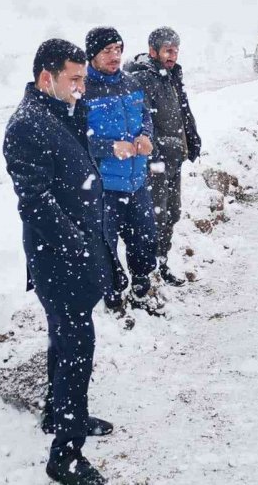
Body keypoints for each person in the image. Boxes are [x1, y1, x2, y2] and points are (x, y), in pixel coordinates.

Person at [2, 39, 114, 485]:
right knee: (76, 349)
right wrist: (81, 249)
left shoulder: (62, 112)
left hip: (79, 254)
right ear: (45, 78)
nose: (81, 87)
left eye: (83, 78)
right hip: (60, 260)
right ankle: (65, 454)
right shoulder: (27, 125)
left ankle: (59, 413)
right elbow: (36, 203)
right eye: (74, 79)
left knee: (65, 341)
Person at [83, 26, 160, 313]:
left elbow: (145, 117)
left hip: (136, 180)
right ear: (93, 55)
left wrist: (146, 137)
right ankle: (114, 296)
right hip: (104, 186)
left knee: (144, 237)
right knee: (105, 245)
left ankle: (141, 287)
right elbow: (77, 139)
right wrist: (108, 147)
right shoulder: (84, 91)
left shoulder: (131, 83)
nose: (115, 56)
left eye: (118, 49)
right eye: (107, 51)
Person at [124, 27, 202, 287]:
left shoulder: (171, 75)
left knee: (172, 213)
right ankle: (148, 270)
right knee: (156, 215)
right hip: (154, 161)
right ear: (152, 50)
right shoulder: (142, 79)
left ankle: (162, 262)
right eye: (168, 50)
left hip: (173, 158)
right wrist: (157, 150)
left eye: (176, 50)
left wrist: (191, 138)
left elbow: (182, 111)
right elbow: (141, 122)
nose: (173, 55)